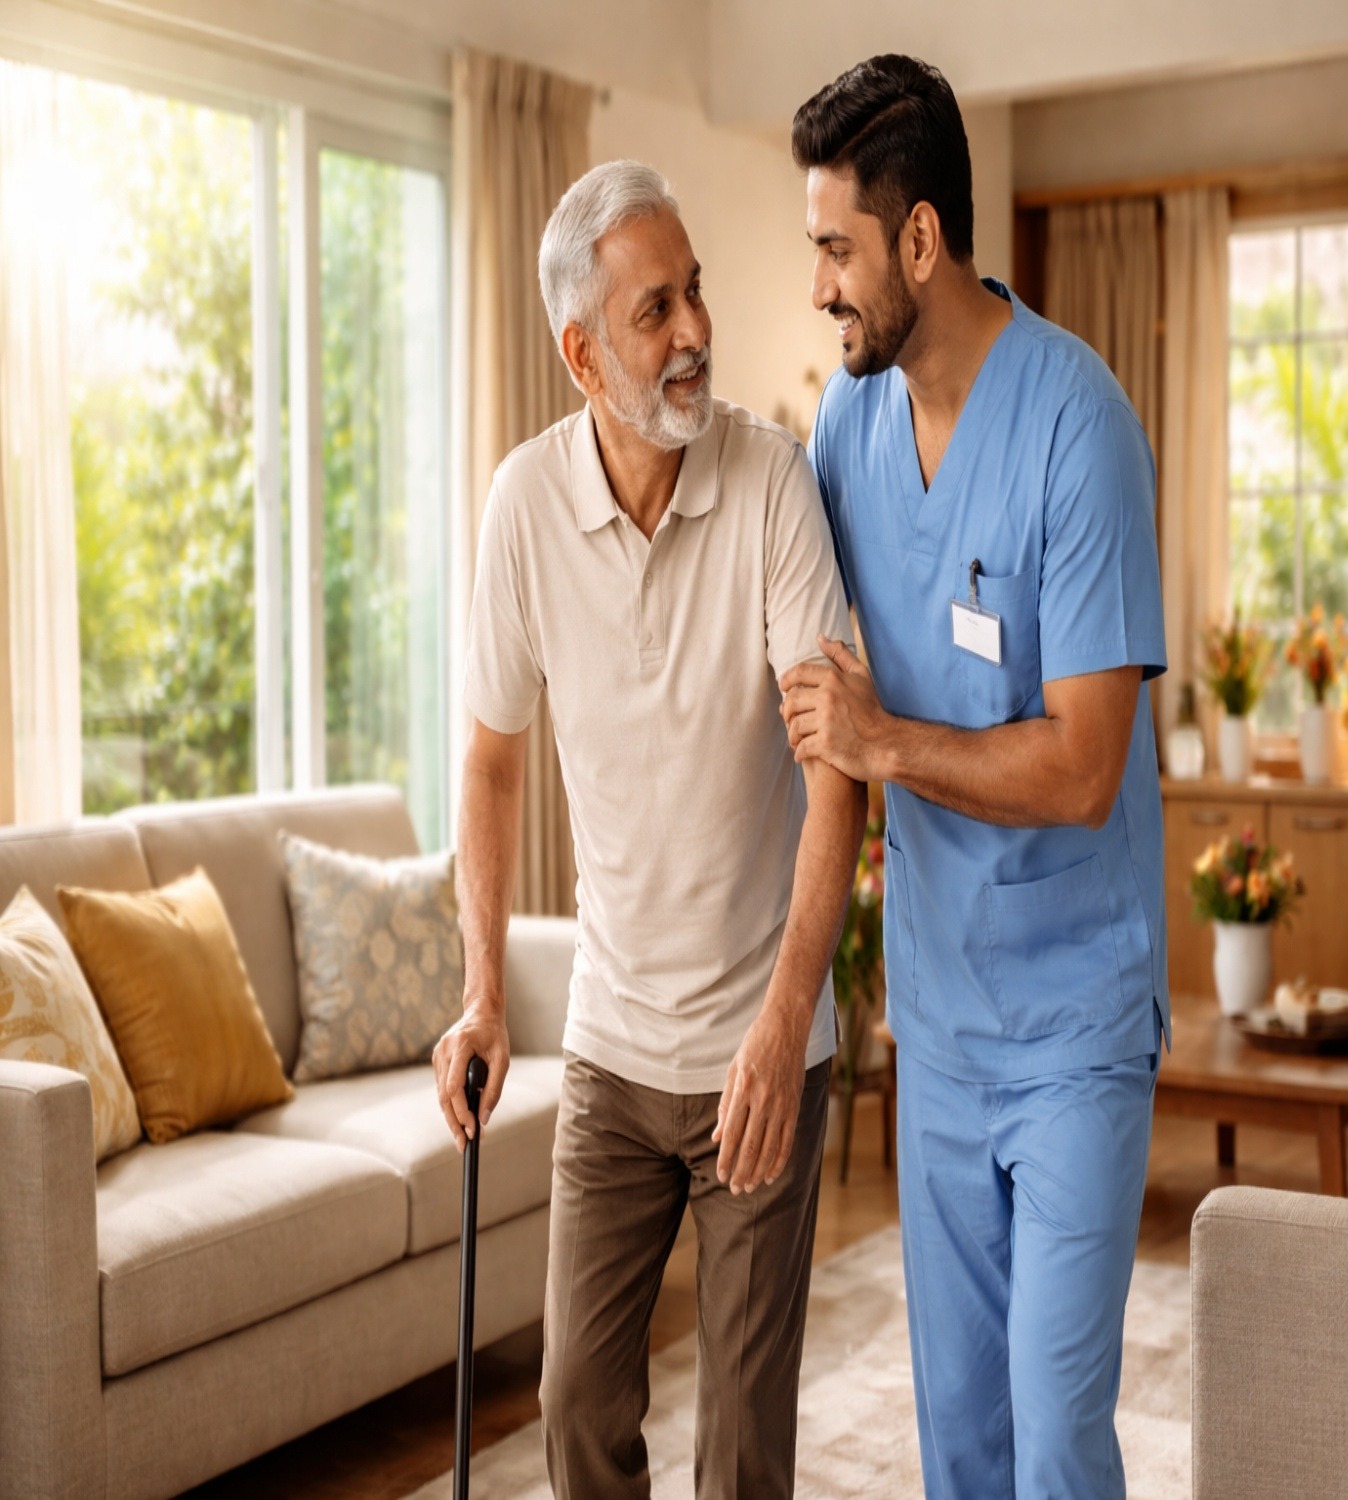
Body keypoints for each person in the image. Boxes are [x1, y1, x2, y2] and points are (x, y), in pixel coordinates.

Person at [431, 158, 866, 1500]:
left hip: (757, 1038)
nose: (692, 334)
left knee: (740, 1448)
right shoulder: (522, 510)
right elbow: (493, 763)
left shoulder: (774, 488)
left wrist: (790, 1020)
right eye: (652, 311)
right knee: (576, 1411)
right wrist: (486, 998)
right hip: (616, 1054)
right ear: (579, 351)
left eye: (695, 296)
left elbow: (838, 770)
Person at [781, 55, 1171, 1500]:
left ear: (922, 242)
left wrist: (885, 744)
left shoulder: (1080, 425)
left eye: (836, 247)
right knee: (963, 1446)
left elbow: (1082, 768)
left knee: (1058, 1438)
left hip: (1074, 1022)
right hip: (942, 1025)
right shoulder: (845, 429)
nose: (818, 283)